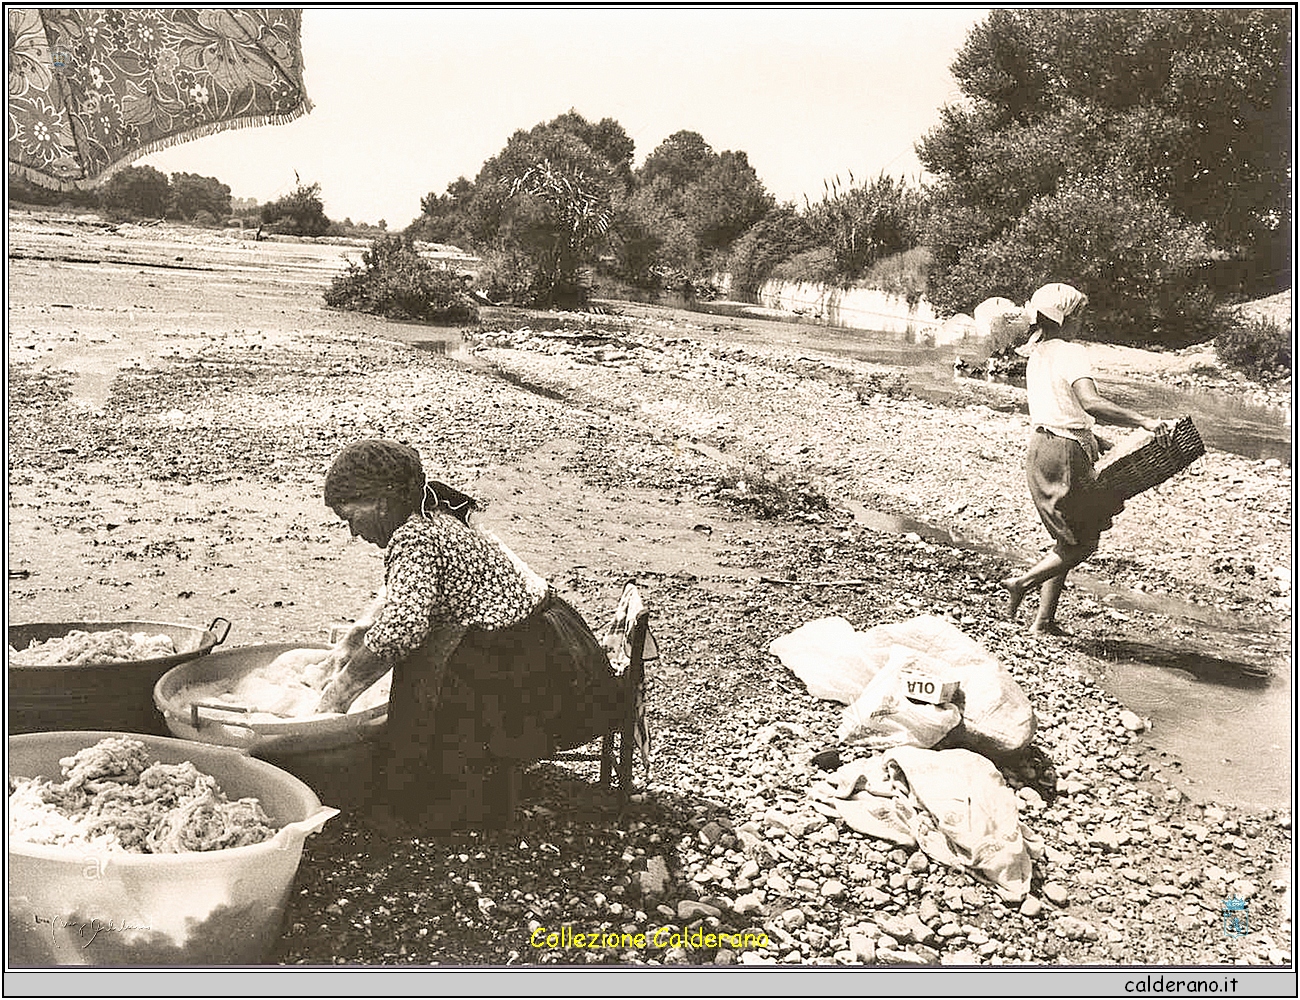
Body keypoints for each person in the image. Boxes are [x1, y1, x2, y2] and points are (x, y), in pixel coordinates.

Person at [315, 438, 625, 832]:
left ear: (380, 501)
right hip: (556, 639)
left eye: (350, 518)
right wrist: (343, 651)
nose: (353, 533)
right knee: (426, 660)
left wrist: (336, 697)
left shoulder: (416, 538)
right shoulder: (432, 510)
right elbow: (393, 603)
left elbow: (402, 628)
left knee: (425, 679)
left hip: (539, 666)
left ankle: (458, 806)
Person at [1000, 283, 1170, 636]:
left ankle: (1043, 621)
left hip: (1041, 448)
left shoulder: (1037, 352)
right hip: (1065, 454)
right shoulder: (1071, 353)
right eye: (1081, 313)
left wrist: (1095, 438)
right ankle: (1022, 582)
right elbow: (1089, 403)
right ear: (1069, 317)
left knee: (1066, 537)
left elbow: (1059, 410)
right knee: (1083, 542)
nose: (1083, 320)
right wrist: (1143, 420)